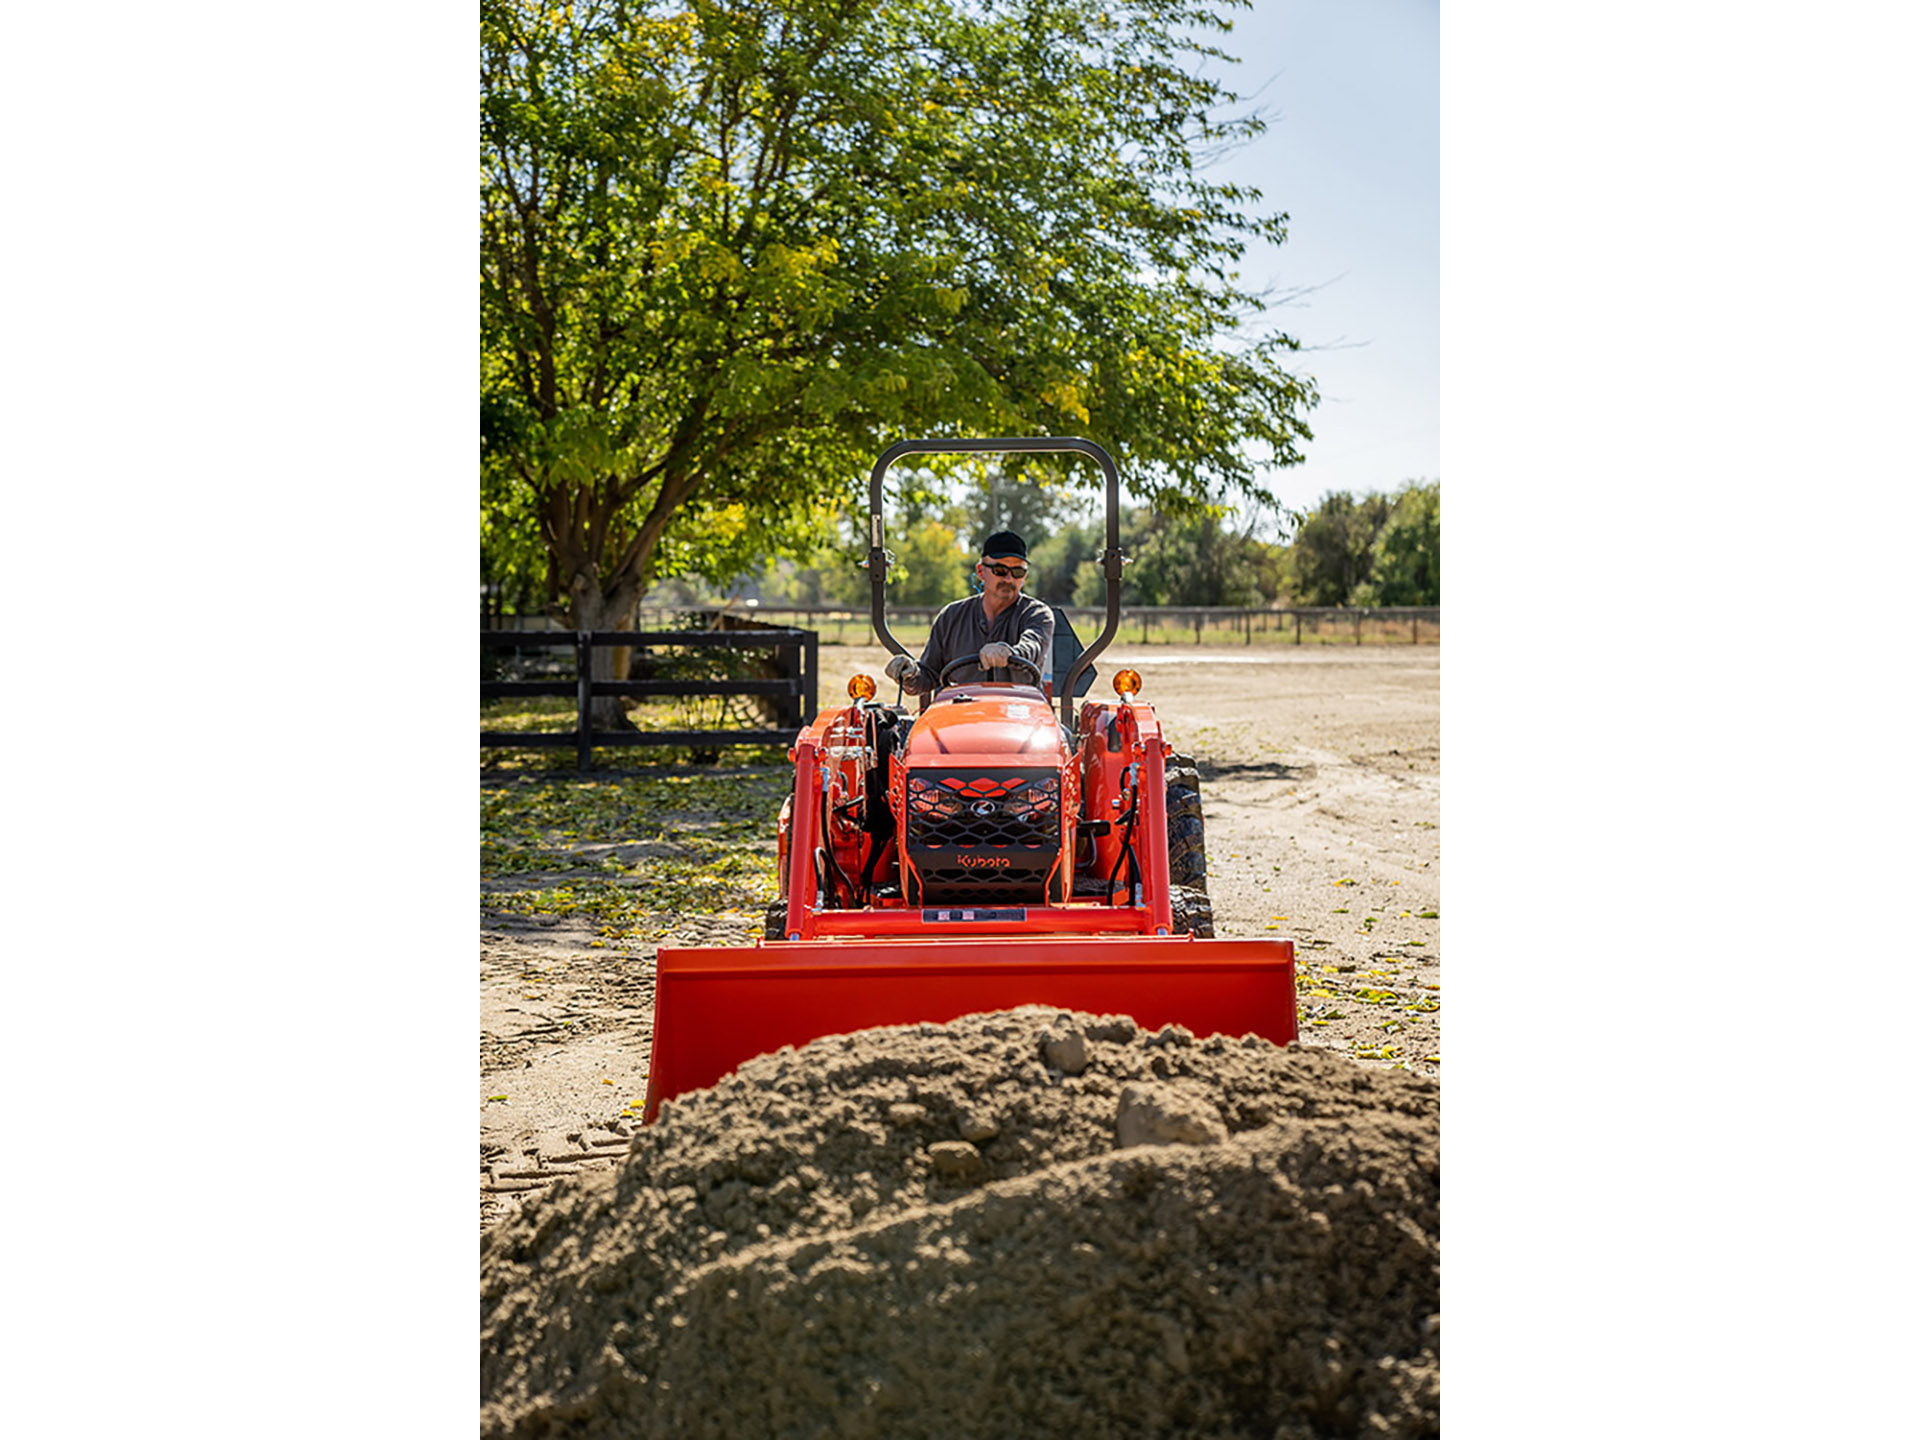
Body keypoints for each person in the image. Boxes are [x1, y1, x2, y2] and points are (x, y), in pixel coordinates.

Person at [885, 530, 1055, 694]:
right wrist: (910, 673)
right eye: (1000, 571)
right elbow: (929, 675)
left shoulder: (1036, 614)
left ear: (1025, 576)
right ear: (981, 571)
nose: (1009, 579)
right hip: (963, 712)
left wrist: (1010, 653)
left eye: (1018, 572)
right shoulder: (951, 617)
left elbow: (1032, 647)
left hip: (1019, 712)